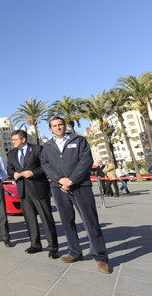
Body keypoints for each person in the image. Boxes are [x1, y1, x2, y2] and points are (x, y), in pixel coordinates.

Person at [41, 117, 110, 274]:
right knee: (67, 221)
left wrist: (71, 180)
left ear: (64, 126)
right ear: (50, 129)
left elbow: (86, 161)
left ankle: (101, 258)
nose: (58, 127)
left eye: (60, 124)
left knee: (90, 221)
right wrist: (60, 180)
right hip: (58, 188)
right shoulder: (47, 146)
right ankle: (74, 252)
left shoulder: (79, 140)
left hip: (80, 186)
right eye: (54, 126)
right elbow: (45, 165)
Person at [7, 130, 58, 258]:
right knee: (29, 219)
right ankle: (35, 245)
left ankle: (53, 247)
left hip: (38, 189)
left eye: (15, 139)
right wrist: (13, 174)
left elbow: (46, 166)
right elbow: (9, 169)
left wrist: (33, 173)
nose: (13, 142)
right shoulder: (11, 153)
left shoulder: (37, 149)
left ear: (23, 139)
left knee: (46, 218)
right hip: (23, 191)